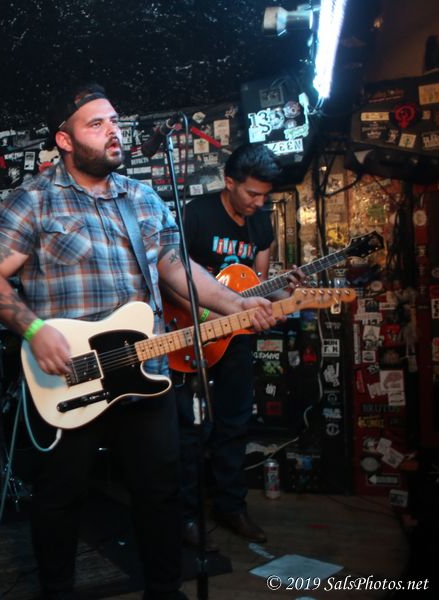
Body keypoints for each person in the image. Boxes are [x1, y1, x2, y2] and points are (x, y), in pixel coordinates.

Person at [0, 83, 280, 600]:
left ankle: (165, 592)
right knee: (60, 498)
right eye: (96, 124)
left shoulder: (141, 197)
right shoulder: (34, 199)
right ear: (64, 140)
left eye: (114, 120)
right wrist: (34, 330)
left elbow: (178, 270)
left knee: (160, 493)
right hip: (71, 376)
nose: (113, 130)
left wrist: (236, 305)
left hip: (145, 371)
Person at [169, 143, 301, 552]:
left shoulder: (261, 224)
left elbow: (256, 286)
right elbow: (169, 275)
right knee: (189, 431)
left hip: (237, 338)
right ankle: (186, 516)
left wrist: (284, 292)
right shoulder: (197, 213)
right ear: (229, 182)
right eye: (252, 194)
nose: (259, 203)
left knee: (234, 423)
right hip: (190, 332)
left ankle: (231, 506)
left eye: (265, 196)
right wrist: (205, 316)